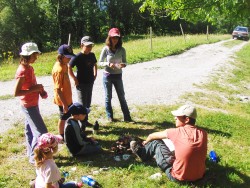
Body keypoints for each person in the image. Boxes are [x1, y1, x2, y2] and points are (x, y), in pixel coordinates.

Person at [130, 105, 208, 182]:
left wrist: (145, 142)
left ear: (187, 119)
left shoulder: (176, 132)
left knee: (157, 142)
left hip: (178, 177)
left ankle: (142, 153)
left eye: (178, 116)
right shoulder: (203, 133)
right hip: (199, 175)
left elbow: (152, 136)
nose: (175, 118)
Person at [14, 42, 48, 164]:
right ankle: (37, 157)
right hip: (28, 105)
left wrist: (40, 91)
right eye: (34, 55)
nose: (36, 57)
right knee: (41, 132)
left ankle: (31, 155)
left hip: (33, 102)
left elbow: (32, 84)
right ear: (27, 55)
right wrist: (35, 89)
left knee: (29, 129)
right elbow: (16, 92)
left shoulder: (29, 67)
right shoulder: (22, 71)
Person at [98, 28, 132, 122]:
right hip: (107, 76)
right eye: (113, 37)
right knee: (108, 97)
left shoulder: (122, 50)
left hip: (118, 76)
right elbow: (99, 62)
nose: (115, 39)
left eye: (117, 37)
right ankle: (110, 117)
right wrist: (108, 64)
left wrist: (123, 65)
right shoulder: (105, 49)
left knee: (122, 96)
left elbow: (125, 62)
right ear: (109, 38)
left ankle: (127, 117)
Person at [68, 36, 97, 130]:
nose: (89, 48)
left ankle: (85, 121)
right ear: (81, 45)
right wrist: (74, 79)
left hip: (90, 82)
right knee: (82, 105)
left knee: (88, 103)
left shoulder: (92, 55)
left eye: (90, 46)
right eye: (87, 46)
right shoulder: (77, 57)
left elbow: (95, 64)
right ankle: (81, 125)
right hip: (81, 84)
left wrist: (95, 74)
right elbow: (69, 67)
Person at [52, 44, 75, 139]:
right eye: (68, 57)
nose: (70, 59)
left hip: (67, 97)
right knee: (63, 117)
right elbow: (57, 89)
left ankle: (70, 130)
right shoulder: (59, 70)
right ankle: (61, 135)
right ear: (61, 56)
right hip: (63, 100)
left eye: (70, 57)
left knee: (69, 114)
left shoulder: (64, 64)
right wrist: (64, 104)